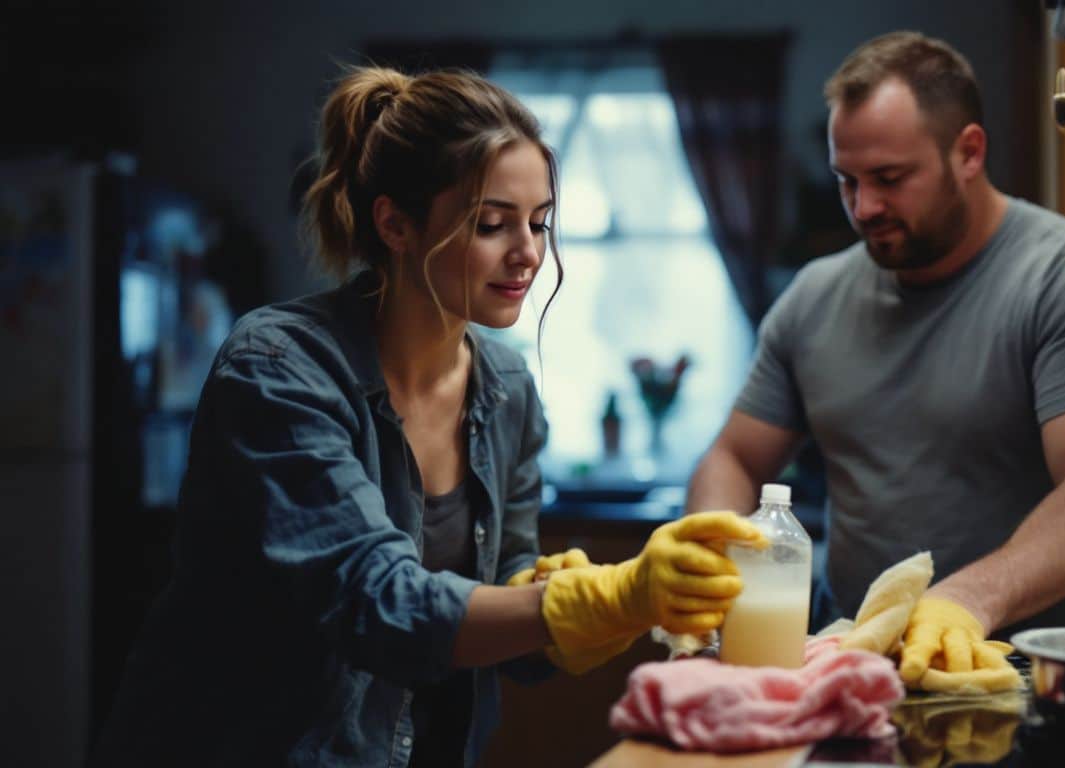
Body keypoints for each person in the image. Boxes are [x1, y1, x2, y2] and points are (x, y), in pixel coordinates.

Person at [91, 66, 762, 768]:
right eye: (492, 224)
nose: (528, 253)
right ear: (396, 224)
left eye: (540, 223)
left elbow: (510, 631)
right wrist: (610, 596)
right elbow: (376, 604)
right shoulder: (278, 369)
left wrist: (558, 600)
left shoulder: (507, 389)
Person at [686, 31, 1065, 691]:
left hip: (1029, 682)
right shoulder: (813, 299)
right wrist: (707, 568)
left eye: (889, 178)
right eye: (846, 181)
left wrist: (966, 599)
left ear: (969, 151)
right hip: (850, 672)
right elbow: (735, 457)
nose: (864, 208)